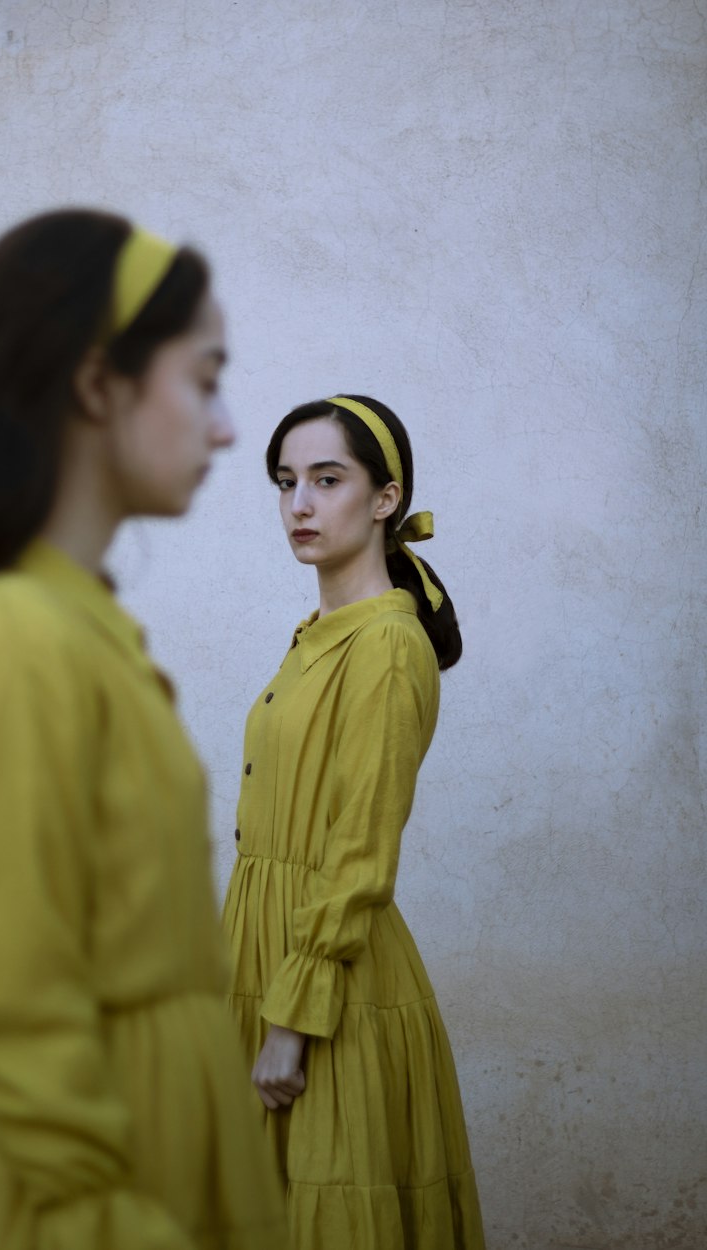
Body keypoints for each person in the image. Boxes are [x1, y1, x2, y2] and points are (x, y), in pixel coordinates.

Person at [0, 208, 287, 1250]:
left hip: (166, 1147)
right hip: (86, 1191)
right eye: (204, 378)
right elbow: (25, 991)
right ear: (99, 384)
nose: (229, 427)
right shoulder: (12, 639)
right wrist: (106, 1214)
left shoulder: (77, 627)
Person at [222, 395, 485, 1248]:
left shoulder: (388, 647)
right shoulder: (318, 633)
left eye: (327, 479)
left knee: (334, 1210)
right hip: (263, 953)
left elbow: (361, 850)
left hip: (328, 984)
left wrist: (292, 1022)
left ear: (384, 500)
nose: (300, 503)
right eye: (286, 482)